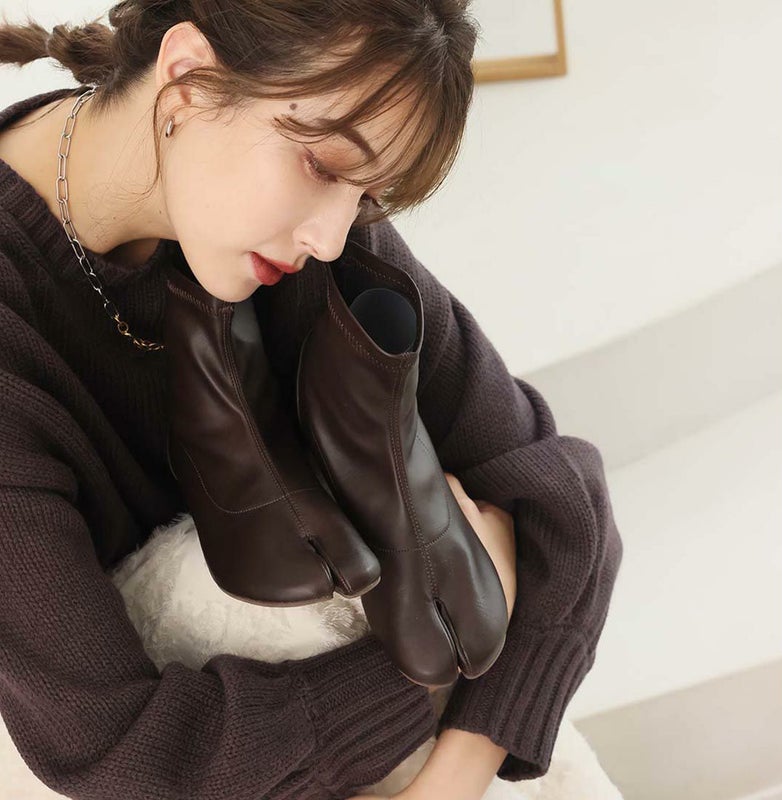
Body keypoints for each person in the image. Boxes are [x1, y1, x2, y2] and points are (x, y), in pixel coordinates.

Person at [0, 2, 624, 799]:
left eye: (367, 195)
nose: (331, 237)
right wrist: (462, 629)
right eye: (324, 167)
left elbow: (560, 500)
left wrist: (452, 777)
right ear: (188, 80)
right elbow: (126, 751)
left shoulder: (304, 245)